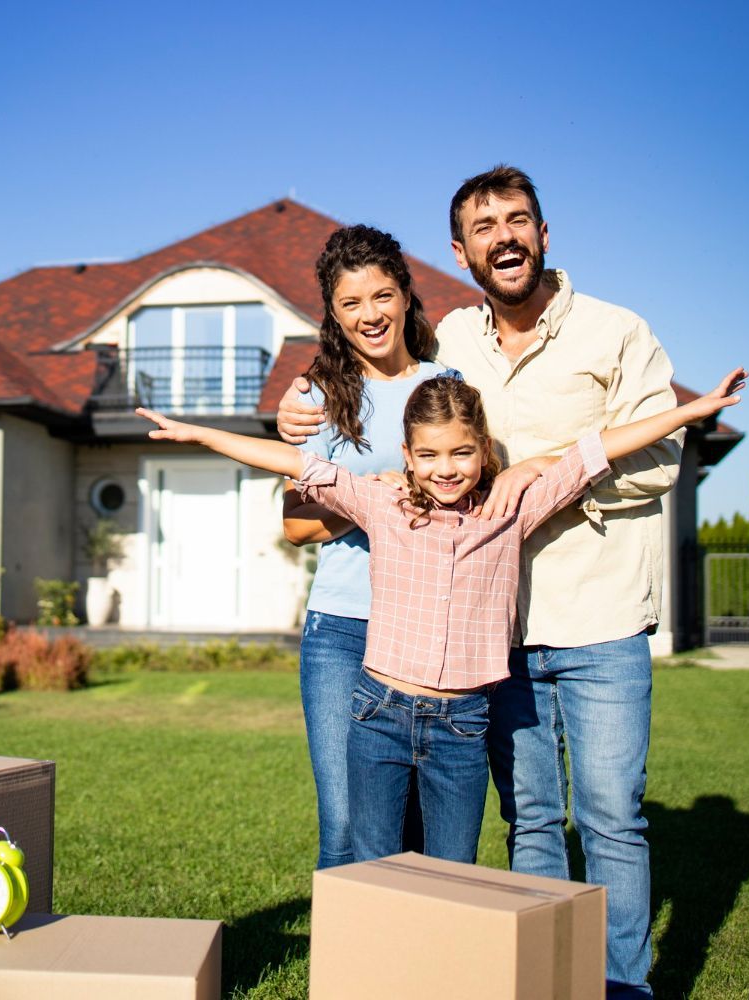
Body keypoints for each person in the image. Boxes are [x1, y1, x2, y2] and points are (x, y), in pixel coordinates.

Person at [278, 165, 686, 999]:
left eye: (518, 220)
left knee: (585, 817)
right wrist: (351, 469)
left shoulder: (541, 347)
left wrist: (524, 487)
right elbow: (309, 498)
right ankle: (433, 978)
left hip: (553, 618)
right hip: (420, 634)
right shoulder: (386, 374)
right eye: (485, 226)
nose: (370, 314)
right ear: (459, 253)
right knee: (462, 820)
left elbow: (643, 459)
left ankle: (599, 984)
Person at [139, 368, 745, 868]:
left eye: (461, 452)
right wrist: (198, 433)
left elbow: (597, 448)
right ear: (406, 454)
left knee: (450, 874)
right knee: (373, 869)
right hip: (378, 714)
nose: (445, 468)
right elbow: (293, 464)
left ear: (484, 451)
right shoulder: (380, 501)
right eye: (428, 454)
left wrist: (691, 411)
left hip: (462, 725)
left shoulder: (512, 510)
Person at [284, 224, 456, 869]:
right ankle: (344, 971)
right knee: (346, 820)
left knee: (412, 819)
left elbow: (470, 489)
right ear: (332, 313)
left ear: (406, 295)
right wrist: (372, 497)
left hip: (423, 628)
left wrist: (409, 489)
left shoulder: (447, 384)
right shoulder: (320, 397)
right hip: (341, 630)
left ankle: (407, 963)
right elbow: (296, 523)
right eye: (351, 303)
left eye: (381, 296)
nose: (370, 315)